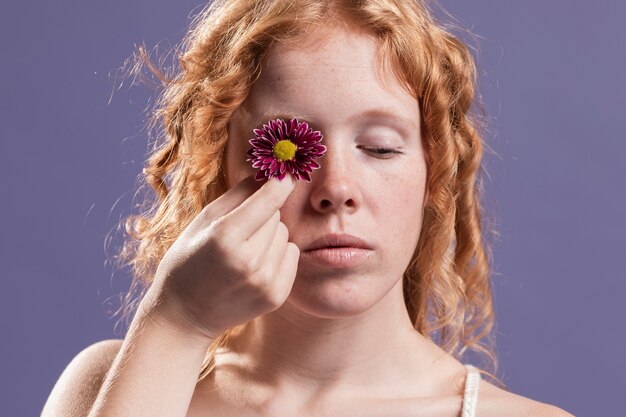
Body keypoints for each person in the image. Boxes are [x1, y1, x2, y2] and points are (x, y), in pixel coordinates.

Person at [41, 1, 574, 416]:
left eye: (381, 148)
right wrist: (176, 321)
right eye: (283, 147)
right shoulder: (110, 387)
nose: (336, 188)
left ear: (433, 175)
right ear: (216, 166)